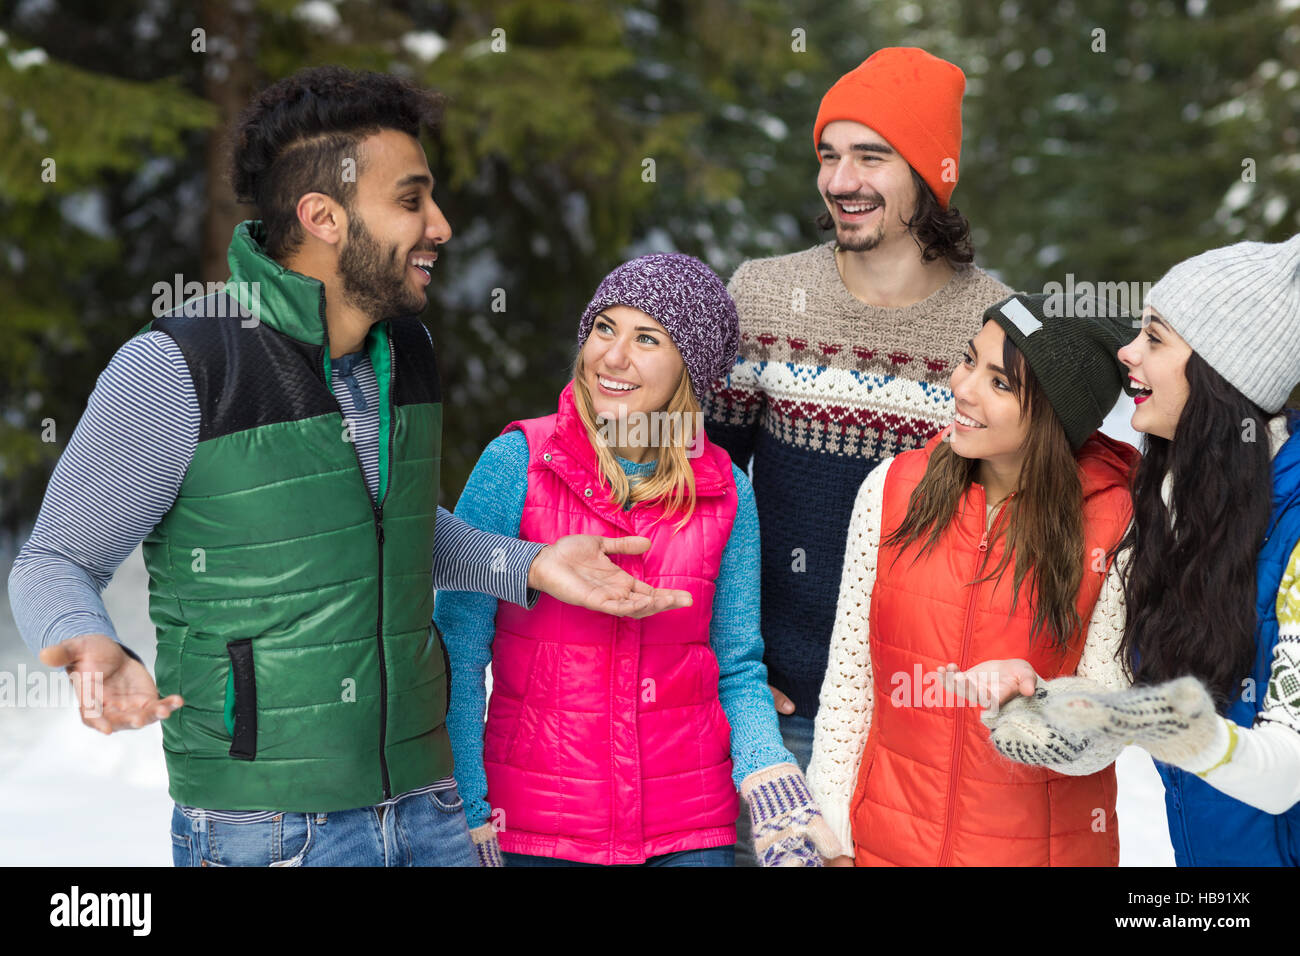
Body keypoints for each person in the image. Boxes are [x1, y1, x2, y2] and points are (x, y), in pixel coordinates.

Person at [6, 66, 689, 868]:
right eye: (410, 200)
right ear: (323, 216)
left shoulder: (406, 349)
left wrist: (529, 564)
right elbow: (53, 559)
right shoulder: (180, 368)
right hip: (269, 828)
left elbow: (384, 528)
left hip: (429, 804)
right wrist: (92, 646)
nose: (439, 225)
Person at [700, 47, 1011, 863]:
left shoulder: (996, 327)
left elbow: (1019, 524)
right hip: (775, 716)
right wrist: (717, 667)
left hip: (923, 727)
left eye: (871, 155)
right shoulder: (763, 297)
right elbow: (696, 495)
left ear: (930, 175)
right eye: (828, 156)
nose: (840, 180)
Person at [435, 254, 840, 867]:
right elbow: (461, 652)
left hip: (689, 832)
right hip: (535, 827)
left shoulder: (727, 490)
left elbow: (734, 666)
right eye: (604, 328)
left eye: (646, 338)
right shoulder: (518, 461)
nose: (612, 357)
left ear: (690, 369)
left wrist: (770, 779)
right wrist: (466, 810)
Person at [981, 234, 1300, 866]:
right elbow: (1124, 693)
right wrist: (1048, 709)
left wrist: (1153, 722)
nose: (1127, 351)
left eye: (1155, 338)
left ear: (1218, 375)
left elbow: (1284, 773)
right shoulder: (1176, 506)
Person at [806, 292, 1141, 865]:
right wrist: (830, 829)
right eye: (969, 360)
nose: (962, 388)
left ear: (1056, 414)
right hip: (886, 844)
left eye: (1001, 383)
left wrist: (1031, 708)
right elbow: (849, 684)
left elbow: (1112, 717)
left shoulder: (1116, 522)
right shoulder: (891, 490)